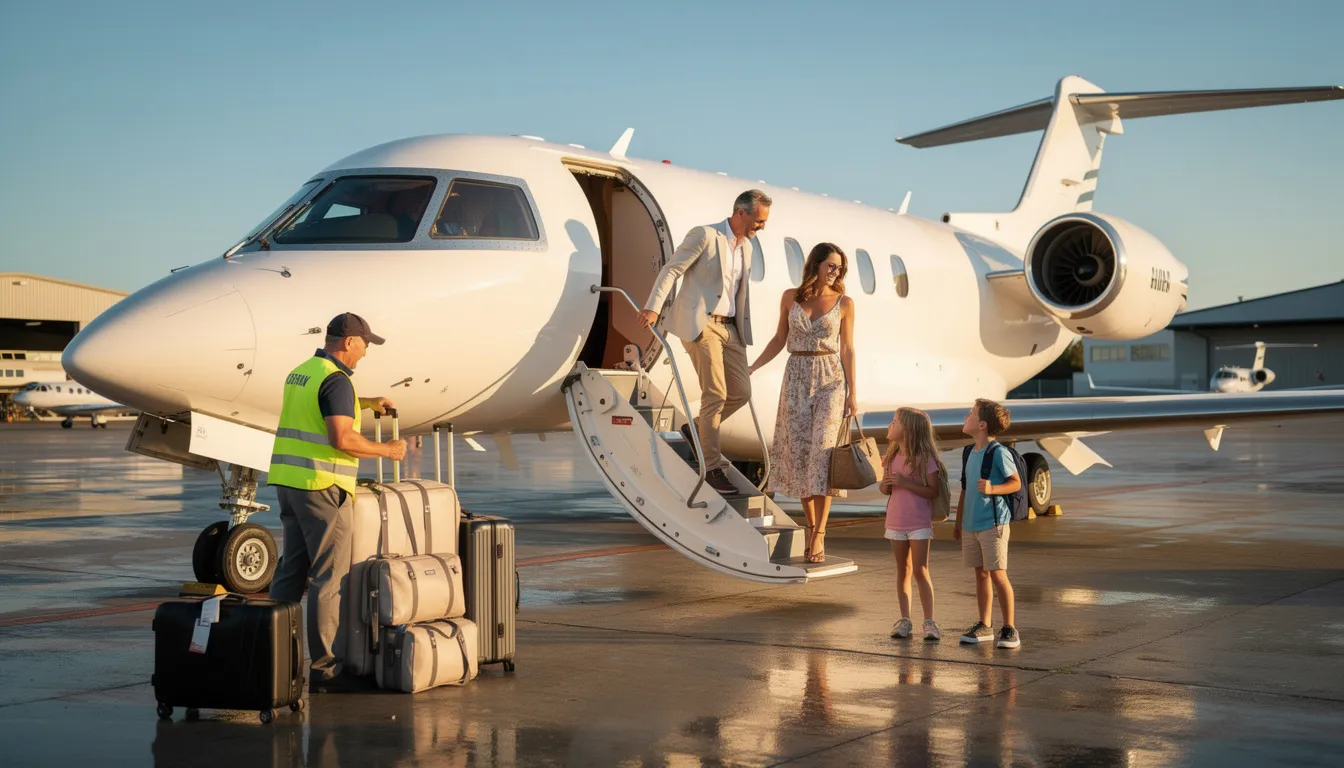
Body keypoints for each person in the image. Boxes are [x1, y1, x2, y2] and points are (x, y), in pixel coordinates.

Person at [268, 312, 408, 693]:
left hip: (290, 483)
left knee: (290, 573)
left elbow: (321, 408)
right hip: (322, 486)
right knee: (328, 580)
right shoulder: (337, 380)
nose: (365, 353)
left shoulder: (303, 372)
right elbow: (342, 439)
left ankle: (273, 654)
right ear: (348, 342)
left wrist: (364, 402)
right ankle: (327, 670)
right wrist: (388, 450)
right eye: (364, 344)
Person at [637, 190, 771, 494]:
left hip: (731, 329)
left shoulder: (747, 247)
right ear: (741, 212)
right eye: (759, 220)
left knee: (741, 392)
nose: (761, 226)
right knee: (716, 393)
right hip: (701, 324)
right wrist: (653, 306)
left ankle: (696, 428)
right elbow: (673, 268)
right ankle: (710, 468)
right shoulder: (706, 235)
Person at [748, 243, 856, 562]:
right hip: (795, 377)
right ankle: (810, 530)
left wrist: (853, 393)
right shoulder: (790, 297)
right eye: (831, 265)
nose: (835, 271)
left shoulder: (845, 303)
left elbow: (848, 348)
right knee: (800, 459)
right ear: (816, 265)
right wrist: (754, 365)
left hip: (830, 380)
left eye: (839, 267)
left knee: (821, 458)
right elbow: (780, 339)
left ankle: (820, 535)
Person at [953, 398, 1022, 650]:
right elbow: (964, 488)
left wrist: (993, 488)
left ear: (982, 425)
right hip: (972, 525)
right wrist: (959, 522)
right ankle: (985, 625)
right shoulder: (968, 452)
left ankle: (1010, 628)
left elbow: (1015, 483)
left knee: (998, 575)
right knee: (980, 574)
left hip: (994, 524)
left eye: (970, 414)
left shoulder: (999, 453)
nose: (965, 418)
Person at [879, 407, 946, 642]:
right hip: (895, 522)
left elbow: (932, 491)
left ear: (907, 430)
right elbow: (885, 489)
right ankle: (905, 619)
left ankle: (929, 621)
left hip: (919, 522)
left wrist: (906, 482)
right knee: (903, 570)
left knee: (920, 570)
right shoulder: (890, 457)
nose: (890, 425)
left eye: (895, 422)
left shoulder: (926, 459)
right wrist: (886, 484)